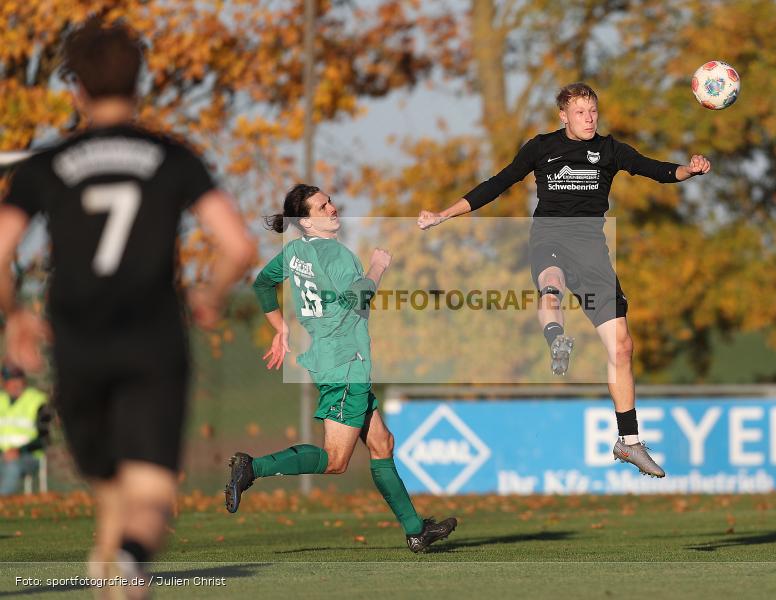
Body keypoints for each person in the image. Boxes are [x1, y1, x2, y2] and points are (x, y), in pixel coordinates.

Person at [0, 19, 255, 590]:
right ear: (139, 86)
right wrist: (209, 295)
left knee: (110, 482)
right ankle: (133, 554)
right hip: (152, 336)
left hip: (77, 338)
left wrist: (16, 313)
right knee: (151, 492)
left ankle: (116, 568)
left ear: (77, 91)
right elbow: (238, 246)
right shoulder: (171, 157)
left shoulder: (47, 164)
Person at [417, 82, 713, 478]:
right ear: (563, 116)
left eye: (593, 111)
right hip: (550, 236)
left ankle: (629, 442)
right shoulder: (541, 147)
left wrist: (688, 170)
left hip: (591, 251)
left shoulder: (610, 150)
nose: (589, 119)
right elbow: (497, 184)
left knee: (622, 348)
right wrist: (442, 214)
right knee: (551, 284)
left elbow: (656, 170)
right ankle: (557, 339)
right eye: (580, 112)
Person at [225, 183, 457, 553]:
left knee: (382, 443)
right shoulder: (336, 254)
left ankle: (416, 531)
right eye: (322, 207)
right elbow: (357, 299)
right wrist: (378, 267)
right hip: (346, 364)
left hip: (332, 359)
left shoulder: (295, 252)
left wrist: (280, 327)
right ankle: (253, 467)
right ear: (306, 222)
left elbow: (263, 284)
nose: (332, 208)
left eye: (330, 202)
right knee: (335, 461)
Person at [0, 362, 51, 495]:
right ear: (4, 383)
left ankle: (3, 504)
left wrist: (18, 451)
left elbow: (45, 438)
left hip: (29, 456)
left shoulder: (37, 401)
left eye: (19, 379)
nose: (16, 384)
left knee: (12, 467)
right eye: (11, 380)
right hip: (2, 455)